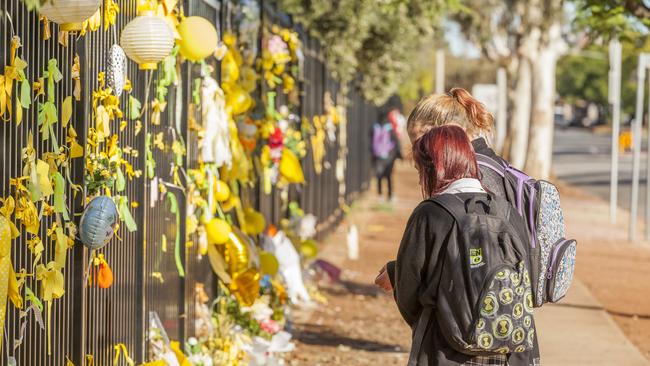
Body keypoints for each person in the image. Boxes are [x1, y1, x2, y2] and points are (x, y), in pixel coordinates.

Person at [374, 88, 542, 365]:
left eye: (422, 145)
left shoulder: (440, 206)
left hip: (453, 341)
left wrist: (428, 313)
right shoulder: (501, 185)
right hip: (510, 337)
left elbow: (414, 291)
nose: (417, 155)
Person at [371, 116, 402, 201]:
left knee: (379, 176)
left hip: (377, 156)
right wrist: (398, 154)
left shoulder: (375, 127)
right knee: (388, 176)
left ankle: (380, 195)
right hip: (389, 156)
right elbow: (396, 142)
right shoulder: (390, 128)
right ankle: (390, 195)